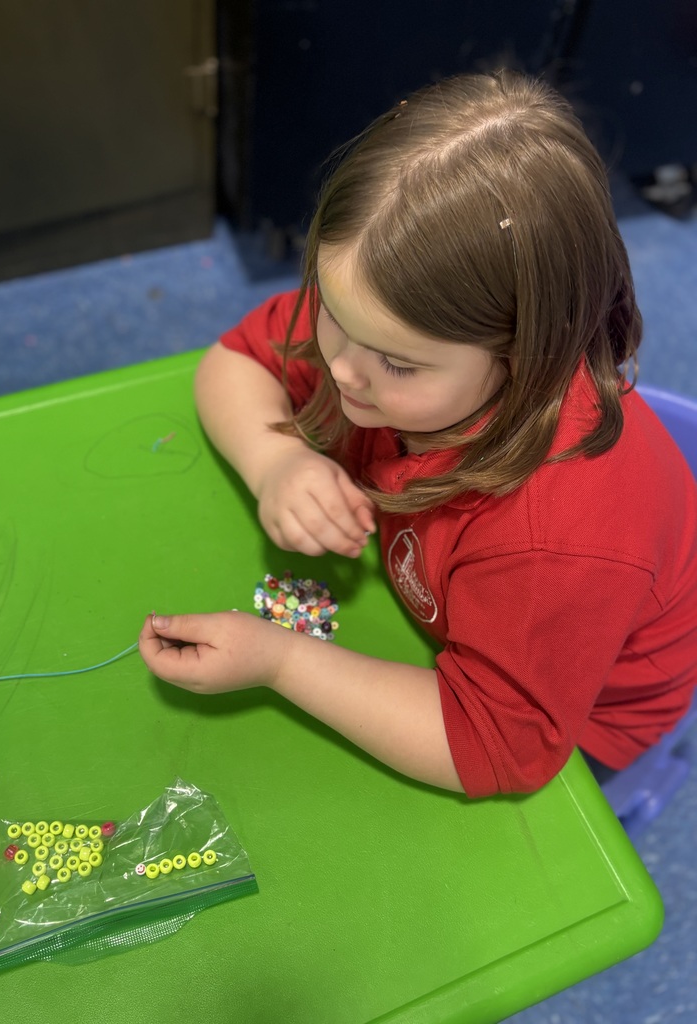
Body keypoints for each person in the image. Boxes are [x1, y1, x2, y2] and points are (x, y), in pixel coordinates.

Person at [138, 70, 697, 797]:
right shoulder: (378, 317)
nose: (341, 369)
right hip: (454, 629)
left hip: (571, 721)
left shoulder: (561, 533)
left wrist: (280, 663)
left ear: (524, 357)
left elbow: (494, 747)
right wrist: (272, 457)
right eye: (334, 313)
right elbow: (235, 361)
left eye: (398, 366)